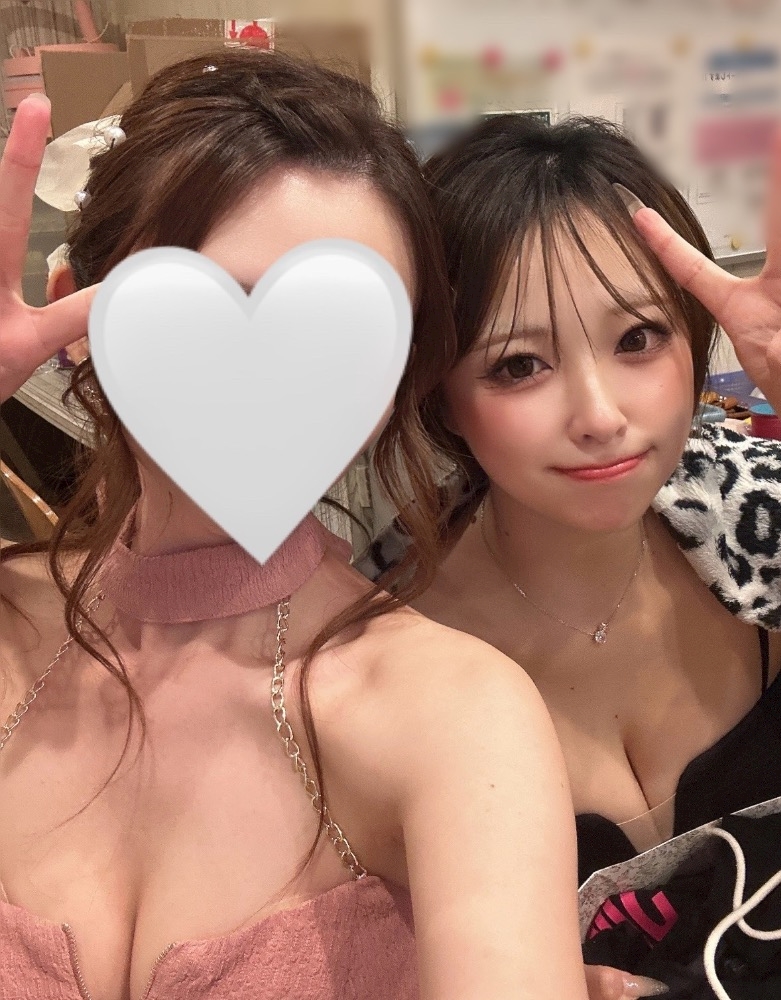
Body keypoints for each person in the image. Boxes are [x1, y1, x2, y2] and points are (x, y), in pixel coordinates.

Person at [0, 54, 590, 1000]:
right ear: (77, 313)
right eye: (206, 306)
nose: (270, 384)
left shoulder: (449, 713)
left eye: (344, 332)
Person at [360, 113, 781, 994]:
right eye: (518, 364)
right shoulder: (381, 663)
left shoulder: (761, 511)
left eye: (637, 339)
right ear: (438, 391)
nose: (598, 414)